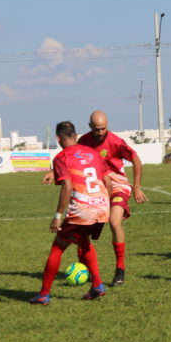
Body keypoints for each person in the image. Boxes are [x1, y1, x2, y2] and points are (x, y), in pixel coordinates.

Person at [43, 110, 148, 286]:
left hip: (118, 186)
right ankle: (87, 271)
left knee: (115, 222)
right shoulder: (84, 140)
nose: (100, 132)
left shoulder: (115, 141)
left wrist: (136, 188)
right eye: (97, 129)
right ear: (90, 126)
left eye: (103, 128)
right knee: (84, 227)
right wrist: (54, 172)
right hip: (98, 188)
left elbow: (136, 160)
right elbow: (73, 157)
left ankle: (120, 270)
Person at [32, 121, 112, 305]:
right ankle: (98, 286)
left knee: (57, 248)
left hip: (83, 211)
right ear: (76, 136)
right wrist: (103, 206)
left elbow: (67, 187)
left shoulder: (61, 157)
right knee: (84, 243)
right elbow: (107, 182)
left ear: (58, 138)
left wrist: (58, 216)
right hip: (102, 206)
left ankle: (44, 294)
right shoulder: (93, 153)